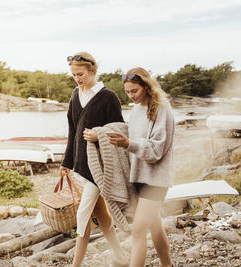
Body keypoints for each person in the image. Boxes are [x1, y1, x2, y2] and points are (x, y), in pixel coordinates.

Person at [59, 52, 128, 267]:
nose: (77, 78)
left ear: (93, 71)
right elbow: (72, 130)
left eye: (80, 74)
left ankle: (75, 265)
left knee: (82, 215)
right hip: (81, 164)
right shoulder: (74, 95)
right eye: (73, 75)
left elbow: (119, 130)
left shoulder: (108, 97)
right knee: (101, 214)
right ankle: (121, 257)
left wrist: (99, 135)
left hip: (100, 167)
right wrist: (66, 162)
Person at [108, 67, 175, 267]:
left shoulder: (162, 108)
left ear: (146, 86)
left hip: (156, 179)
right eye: (127, 92)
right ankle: (168, 265)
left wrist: (128, 143)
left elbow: (156, 149)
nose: (131, 96)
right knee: (155, 226)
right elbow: (129, 136)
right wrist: (101, 135)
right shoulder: (136, 110)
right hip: (138, 177)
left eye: (134, 91)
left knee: (138, 231)